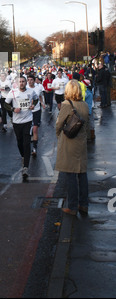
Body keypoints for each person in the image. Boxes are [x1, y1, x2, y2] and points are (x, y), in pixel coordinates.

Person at [55, 80, 89, 215]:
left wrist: (59, 136)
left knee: (70, 174)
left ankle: (73, 206)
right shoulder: (85, 105)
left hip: (69, 142)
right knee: (82, 173)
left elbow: (58, 124)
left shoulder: (66, 105)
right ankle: (84, 204)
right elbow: (87, 125)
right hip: (81, 142)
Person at [5, 76, 38, 180]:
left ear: (26, 82)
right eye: (20, 82)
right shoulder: (13, 92)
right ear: (17, 83)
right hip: (16, 122)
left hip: (28, 120)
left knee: (26, 142)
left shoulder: (31, 91)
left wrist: (33, 105)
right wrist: (13, 109)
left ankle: (25, 168)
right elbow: (6, 104)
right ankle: (23, 156)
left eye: (23, 81)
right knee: (19, 142)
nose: (22, 83)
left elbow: (36, 99)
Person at [27, 74, 45, 157]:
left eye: (31, 80)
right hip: (27, 112)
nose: (30, 81)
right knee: (27, 131)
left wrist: (42, 103)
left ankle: (34, 148)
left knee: (35, 129)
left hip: (36, 110)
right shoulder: (25, 89)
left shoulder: (37, 88)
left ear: (34, 81)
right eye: (28, 80)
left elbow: (40, 96)